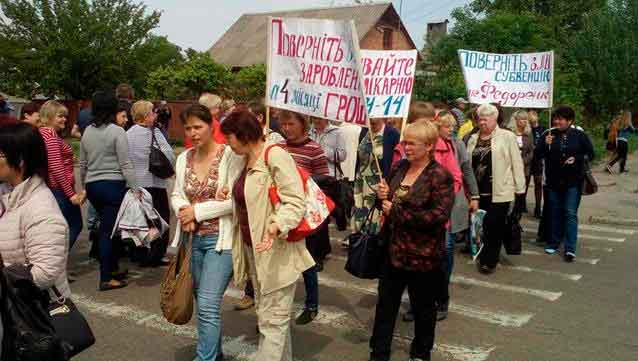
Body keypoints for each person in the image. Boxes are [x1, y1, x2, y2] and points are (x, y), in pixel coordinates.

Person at [220, 110, 315, 361]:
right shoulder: (242, 160)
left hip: (277, 250)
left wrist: (277, 224)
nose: (227, 143)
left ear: (243, 135)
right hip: (256, 250)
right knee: (270, 318)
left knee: (272, 322)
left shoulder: (275, 155)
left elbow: (295, 202)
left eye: (229, 137)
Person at [370, 121, 454, 361]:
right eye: (404, 141)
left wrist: (394, 211)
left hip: (423, 256)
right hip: (392, 251)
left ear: (429, 146)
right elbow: (384, 205)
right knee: (385, 307)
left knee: (424, 309)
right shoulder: (399, 167)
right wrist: (381, 197)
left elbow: (438, 217)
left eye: (411, 143)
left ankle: (420, 352)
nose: (405, 147)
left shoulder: (440, 176)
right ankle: (378, 352)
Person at [171, 104, 233, 361]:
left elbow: (236, 201)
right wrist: (183, 210)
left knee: (207, 304)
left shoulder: (230, 155)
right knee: (203, 304)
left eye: (198, 126)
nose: (193, 133)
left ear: (211, 125)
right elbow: (176, 194)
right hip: (192, 240)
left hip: (221, 241)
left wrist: (196, 212)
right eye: (188, 128)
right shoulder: (183, 157)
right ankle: (214, 354)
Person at [0, 123, 71, 300]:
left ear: (20, 160)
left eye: (0, 154)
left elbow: (44, 273)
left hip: (32, 314)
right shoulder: (7, 193)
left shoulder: (41, 209)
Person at [79, 90, 138, 291]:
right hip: (113, 186)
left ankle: (111, 268)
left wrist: (85, 186)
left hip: (93, 185)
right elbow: (125, 164)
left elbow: (83, 163)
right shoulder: (117, 131)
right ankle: (106, 278)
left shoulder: (87, 131)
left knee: (108, 229)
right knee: (108, 232)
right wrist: (136, 188)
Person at [279, 110, 330, 325]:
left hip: (303, 214)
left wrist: (301, 178)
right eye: (283, 124)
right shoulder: (278, 147)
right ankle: (277, 309)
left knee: (305, 261)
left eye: (291, 124)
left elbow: (325, 181)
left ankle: (311, 305)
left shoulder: (314, 149)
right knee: (280, 262)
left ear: (303, 124)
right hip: (279, 213)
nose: (286, 128)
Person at [467, 103, 526, 273]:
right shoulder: (473, 138)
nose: (482, 122)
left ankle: (489, 260)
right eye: (480, 119)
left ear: (495, 119)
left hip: (500, 191)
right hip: (477, 191)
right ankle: (482, 251)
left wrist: (520, 190)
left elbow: (517, 164)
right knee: (481, 226)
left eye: (486, 119)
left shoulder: (507, 136)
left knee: (494, 226)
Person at [433, 113, 479, 321]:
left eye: (452, 127)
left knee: (447, 246)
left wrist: (475, 195)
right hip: (430, 209)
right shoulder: (427, 145)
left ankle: (443, 288)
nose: (450, 130)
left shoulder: (457, 145)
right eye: (446, 127)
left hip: (451, 204)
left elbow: (465, 170)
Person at [535, 105, 594, 262]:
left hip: (573, 181)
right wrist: (543, 144)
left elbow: (590, 154)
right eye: (555, 118)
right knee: (554, 212)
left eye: (560, 119)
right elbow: (537, 155)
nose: (556, 121)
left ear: (570, 121)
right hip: (553, 181)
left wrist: (577, 158)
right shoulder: (548, 134)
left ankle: (570, 248)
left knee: (569, 213)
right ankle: (553, 242)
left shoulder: (579, 135)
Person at [127, 100, 175, 267]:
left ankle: (138, 252)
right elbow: (168, 154)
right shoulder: (154, 133)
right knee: (160, 218)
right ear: (146, 116)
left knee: (140, 220)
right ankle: (156, 254)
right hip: (155, 182)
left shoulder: (127, 134)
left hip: (135, 184)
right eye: (153, 113)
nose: (155, 115)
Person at [39, 100, 85, 250]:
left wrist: (68, 157)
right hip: (59, 189)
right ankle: (57, 260)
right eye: (60, 116)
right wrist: (70, 194)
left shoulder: (44, 133)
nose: (64, 119)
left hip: (55, 188)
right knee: (73, 225)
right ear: (49, 116)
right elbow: (56, 168)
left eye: (65, 116)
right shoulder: (50, 135)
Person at [352, 118, 400, 234]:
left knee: (374, 218)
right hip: (361, 182)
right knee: (359, 215)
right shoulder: (364, 131)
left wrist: (390, 182)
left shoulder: (392, 134)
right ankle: (359, 243)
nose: (372, 119)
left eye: (375, 117)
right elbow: (359, 158)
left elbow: (396, 162)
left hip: (379, 185)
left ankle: (371, 245)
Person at [510, 110, 535, 213]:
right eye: (521, 119)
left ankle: (518, 212)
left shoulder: (528, 134)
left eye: (525, 119)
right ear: (516, 120)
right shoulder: (509, 133)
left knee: (522, 191)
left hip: (525, 167)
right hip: (511, 166)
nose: (524, 121)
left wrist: (523, 161)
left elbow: (531, 151)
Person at [528, 110, 546, 218]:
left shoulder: (543, 129)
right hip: (528, 159)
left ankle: (538, 207)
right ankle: (521, 206)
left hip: (538, 160)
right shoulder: (527, 129)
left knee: (538, 184)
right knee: (524, 183)